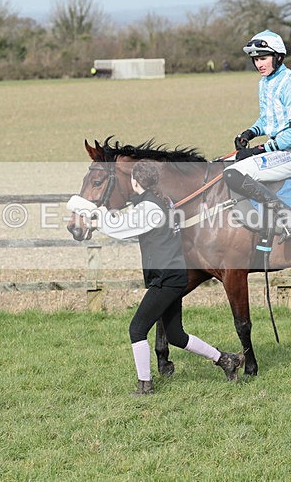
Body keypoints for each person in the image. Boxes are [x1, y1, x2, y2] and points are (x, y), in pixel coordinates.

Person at [67, 160, 244, 395]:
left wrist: (94, 219)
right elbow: (128, 224)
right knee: (176, 336)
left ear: (135, 181)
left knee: (137, 329)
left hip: (166, 280)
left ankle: (145, 385)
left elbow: (123, 227)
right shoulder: (159, 202)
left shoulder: (150, 207)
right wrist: (96, 221)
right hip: (173, 276)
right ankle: (226, 360)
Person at [224, 29, 291, 251]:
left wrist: (259, 150)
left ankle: (290, 217)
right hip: (275, 150)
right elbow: (268, 119)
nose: (259, 64)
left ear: (278, 57)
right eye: (255, 59)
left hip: (290, 153)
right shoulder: (265, 82)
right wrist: (250, 133)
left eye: (263, 58)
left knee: (234, 173)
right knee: (222, 165)